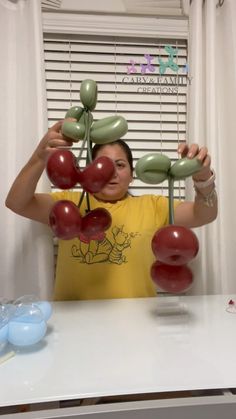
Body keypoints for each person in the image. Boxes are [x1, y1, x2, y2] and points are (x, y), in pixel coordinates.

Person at [5, 120, 218, 300]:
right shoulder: (68, 203)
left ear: (133, 174)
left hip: (136, 324)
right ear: (88, 169)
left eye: (120, 165)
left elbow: (204, 214)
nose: (111, 173)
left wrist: (202, 178)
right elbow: (17, 202)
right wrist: (41, 155)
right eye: (102, 164)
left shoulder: (153, 206)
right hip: (73, 325)